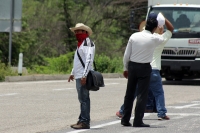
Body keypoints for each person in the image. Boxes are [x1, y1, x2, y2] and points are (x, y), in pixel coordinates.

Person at [121, 12, 171, 127]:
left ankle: (125, 119)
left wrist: (125, 67)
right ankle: (138, 121)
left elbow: (126, 54)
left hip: (132, 66)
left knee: (129, 94)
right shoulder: (154, 39)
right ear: (154, 28)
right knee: (142, 95)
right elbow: (164, 35)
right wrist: (161, 27)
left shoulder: (134, 36)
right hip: (145, 67)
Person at [68, 23, 95, 129]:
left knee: (84, 99)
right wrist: (72, 73)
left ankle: (85, 122)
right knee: (82, 98)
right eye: (75, 31)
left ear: (85, 32)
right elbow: (78, 61)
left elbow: (89, 60)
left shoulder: (88, 43)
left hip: (84, 75)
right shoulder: (80, 43)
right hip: (79, 75)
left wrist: (84, 75)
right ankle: (81, 119)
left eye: (79, 31)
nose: (76, 33)